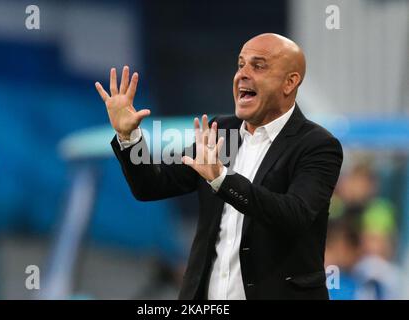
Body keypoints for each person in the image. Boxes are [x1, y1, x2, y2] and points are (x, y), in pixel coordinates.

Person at [95, 33, 343, 299]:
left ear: (290, 82)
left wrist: (222, 180)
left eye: (258, 66)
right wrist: (128, 138)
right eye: (240, 65)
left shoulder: (317, 145)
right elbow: (151, 186)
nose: (242, 74)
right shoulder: (221, 130)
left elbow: (293, 215)